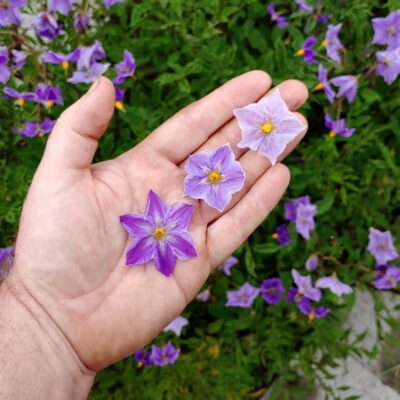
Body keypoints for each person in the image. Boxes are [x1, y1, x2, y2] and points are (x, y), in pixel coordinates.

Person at [0, 72, 308, 399]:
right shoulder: (161, 227)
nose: (159, 231)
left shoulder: (174, 216)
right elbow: (155, 236)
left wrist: (38, 320)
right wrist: (38, 315)